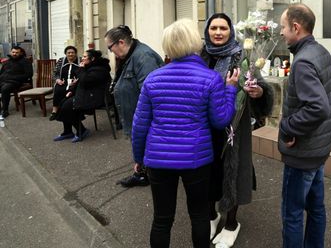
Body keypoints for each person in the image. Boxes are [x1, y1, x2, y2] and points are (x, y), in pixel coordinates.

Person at [131, 19, 240, 248]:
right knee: (199, 216)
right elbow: (220, 120)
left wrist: (138, 158)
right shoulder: (210, 79)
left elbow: (140, 124)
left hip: (159, 159)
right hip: (196, 158)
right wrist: (230, 89)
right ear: (195, 43)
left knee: (162, 219)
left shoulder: (153, 79)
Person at [200, 13, 274, 246]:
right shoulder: (199, 55)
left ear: (231, 31)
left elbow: (261, 86)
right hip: (204, 127)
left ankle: (232, 222)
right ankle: (212, 215)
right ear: (207, 31)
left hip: (234, 127)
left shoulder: (242, 56)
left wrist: (259, 92)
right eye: (214, 28)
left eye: (223, 28)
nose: (218, 32)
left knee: (233, 173)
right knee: (207, 174)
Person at [278, 4, 331, 248]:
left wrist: (288, 128)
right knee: (316, 207)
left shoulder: (303, 62)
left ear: (296, 27)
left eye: (283, 27)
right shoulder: (321, 51)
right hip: (319, 149)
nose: (281, 32)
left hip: (303, 153)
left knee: (292, 213)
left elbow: (318, 107)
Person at [105, 25, 163, 187]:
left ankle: (150, 176)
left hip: (144, 119)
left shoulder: (143, 57)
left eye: (110, 48)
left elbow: (152, 93)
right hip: (136, 117)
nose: (111, 52)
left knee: (146, 145)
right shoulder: (131, 55)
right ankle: (143, 173)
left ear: (121, 42)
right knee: (141, 146)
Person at [52, 49, 111, 143]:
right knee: (63, 102)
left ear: (92, 58)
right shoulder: (89, 67)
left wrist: (81, 69)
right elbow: (80, 82)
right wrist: (71, 91)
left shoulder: (100, 69)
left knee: (69, 106)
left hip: (96, 97)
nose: (82, 59)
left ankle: (82, 131)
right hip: (87, 94)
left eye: (84, 57)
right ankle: (67, 131)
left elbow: (85, 81)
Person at [0, 46, 33, 120]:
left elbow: (29, 74)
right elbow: (1, 72)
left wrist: (14, 78)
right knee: (4, 87)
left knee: (5, 89)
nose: (14, 54)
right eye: (13, 52)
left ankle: (4, 110)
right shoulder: (7, 62)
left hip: (15, 82)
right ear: (10, 52)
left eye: (17, 52)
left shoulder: (25, 61)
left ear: (20, 53)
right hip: (3, 81)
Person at [49, 46, 80, 121]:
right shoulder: (61, 61)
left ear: (75, 54)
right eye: (68, 53)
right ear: (65, 54)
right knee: (58, 90)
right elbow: (54, 73)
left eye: (72, 52)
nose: (70, 54)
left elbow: (83, 72)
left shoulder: (80, 60)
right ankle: (54, 111)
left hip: (75, 83)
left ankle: (67, 110)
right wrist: (57, 80)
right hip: (63, 82)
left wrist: (78, 80)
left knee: (71, 92)